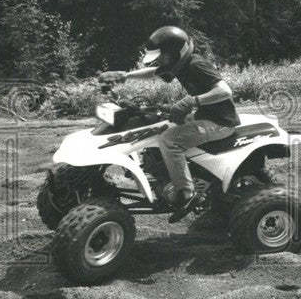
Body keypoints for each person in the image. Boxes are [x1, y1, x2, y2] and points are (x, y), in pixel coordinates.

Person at [99, 26, 240, 222]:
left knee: (170, 140)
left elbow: (225, 91)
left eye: (162, 56)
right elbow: (154, 72)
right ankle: (165, 176)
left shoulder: (197, 65)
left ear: (176, 52)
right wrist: (124, 75)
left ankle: (186, 194)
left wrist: (192, 101)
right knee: (160, 126)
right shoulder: (178, 64)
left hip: (220, 122)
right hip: (202, 116)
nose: (160, 60)